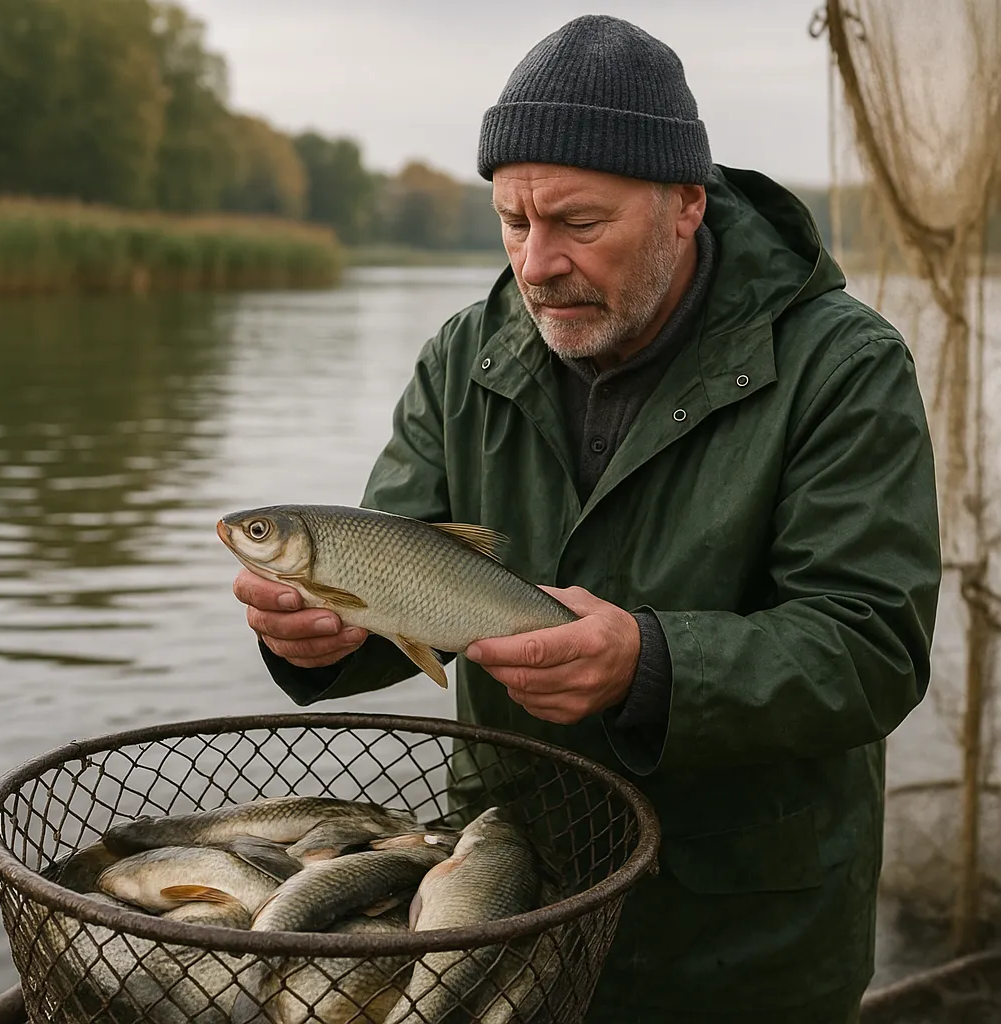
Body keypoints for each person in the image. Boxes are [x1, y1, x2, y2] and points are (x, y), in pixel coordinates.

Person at [231, 15, 941, 1024]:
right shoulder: (464, 353)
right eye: (513, 222)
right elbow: (399, 572)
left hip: (745, 939)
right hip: (513, 893)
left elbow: (870, 647)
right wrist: (318, 638)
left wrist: (648, 664)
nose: (535, 262)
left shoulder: (843, 366)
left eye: (577, 223)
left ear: (685, 204)